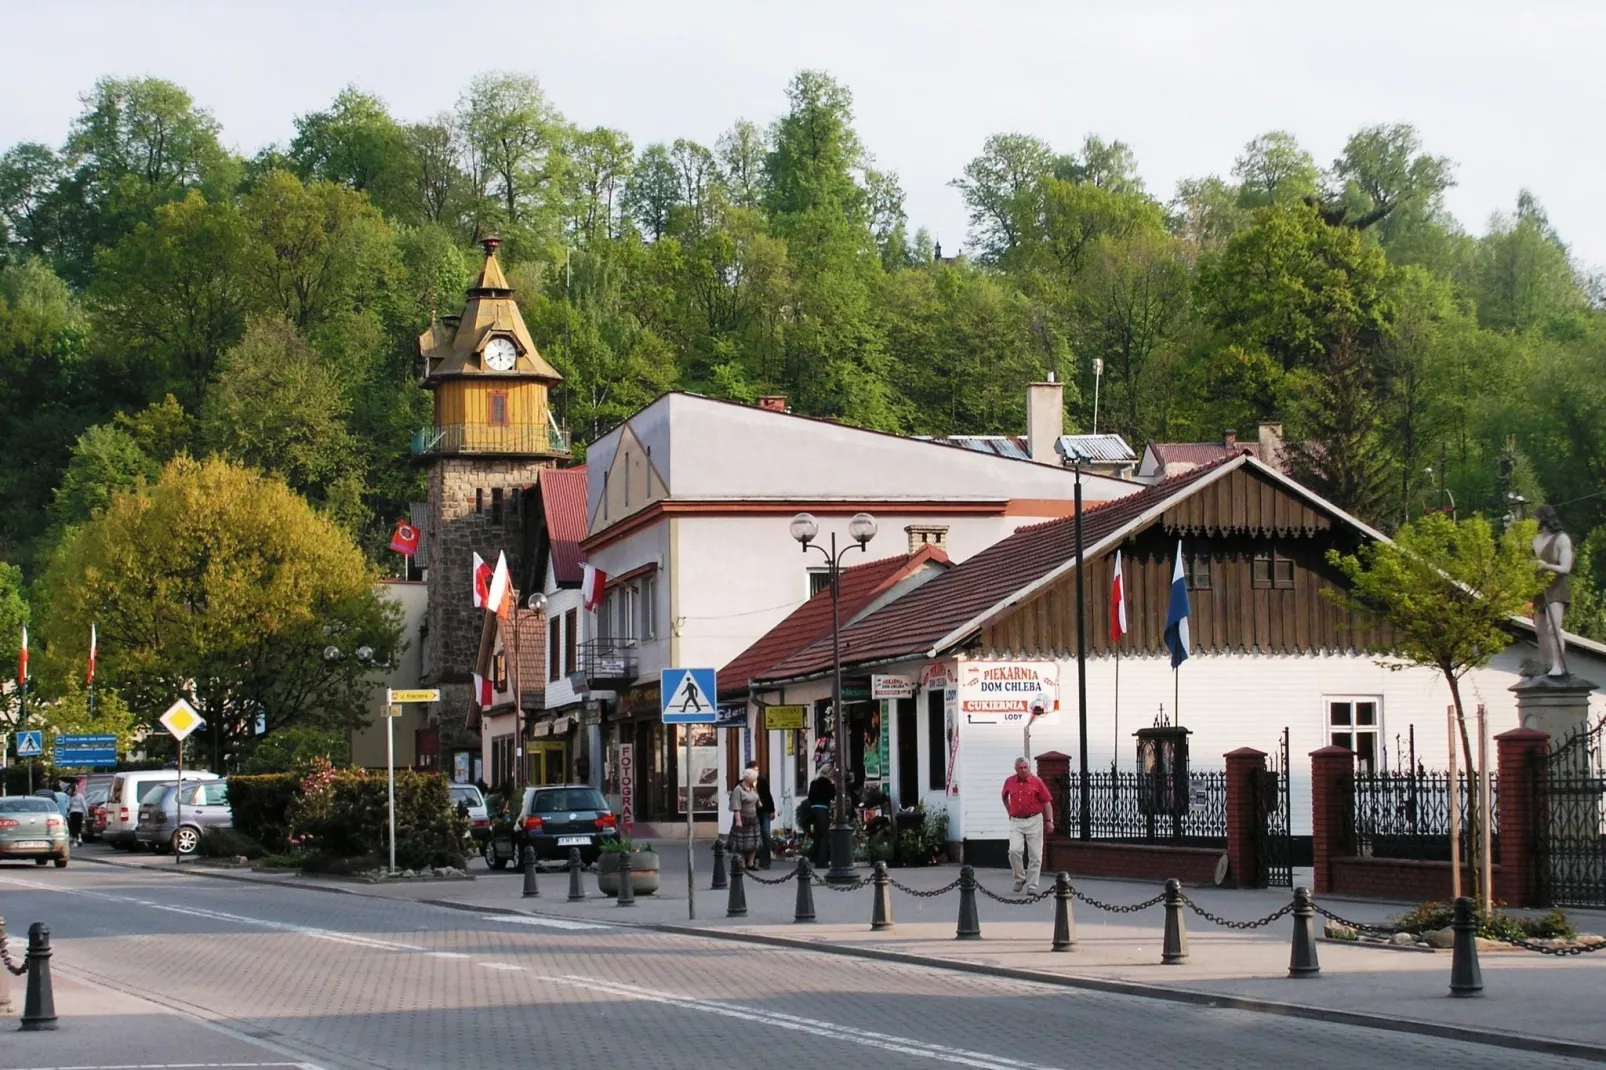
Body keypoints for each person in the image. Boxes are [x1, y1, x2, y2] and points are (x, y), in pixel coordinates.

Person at [1001, 756, 1055, 895]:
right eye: (1020, 768)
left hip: (1034, 819)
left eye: (1026, 767)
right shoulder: (1010, 781)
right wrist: (1010, 811)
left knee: (1035, 855)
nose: (1023, 770)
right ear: (1016, 769)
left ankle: (1032, 885)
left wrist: (1050, 821)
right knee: (1014, 851)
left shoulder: (1037, 782)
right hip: (1016, 821)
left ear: (1029, 768)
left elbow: (1047, 802)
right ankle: (1019, 878)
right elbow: (1004, 797)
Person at [1533, 504, 1574, 678]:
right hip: (1538, 588)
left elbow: (1566, 567)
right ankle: (1547, 663)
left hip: (1556, 588)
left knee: (1553, 628)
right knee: (1539, 628)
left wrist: (1546, 566)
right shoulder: (1535, 540)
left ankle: (1559, 665)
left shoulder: (1561, 539)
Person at [728, 767, 763, 871]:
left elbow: (756, 798)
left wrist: (759, 803)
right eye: (754, 778)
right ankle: (742, 862)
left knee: (755, 841)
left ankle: (751, 863)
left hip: (753, 818)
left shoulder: (753, 788)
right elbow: (736, 806)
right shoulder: (738, 790)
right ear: (748, 779)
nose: (755, 780)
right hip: (743, 818)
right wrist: (738, 820)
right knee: (741, 844)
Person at [745, 761, 776, 869]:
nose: (756, 772)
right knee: (750, 836)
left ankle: (765, 861)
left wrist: (772, 810)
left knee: (765, 834)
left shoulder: (762, 782)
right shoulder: (743, 783)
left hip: (764, 811)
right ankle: (750, 861)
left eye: (757, 770)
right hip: (750, 812)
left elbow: (768, 796)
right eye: (754, 769)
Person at [805, 766, 836, 867]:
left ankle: (816, 858)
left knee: (817, 835)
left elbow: (809, 797)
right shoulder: (827, 783)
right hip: (823, 809)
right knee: (824, 835)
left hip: (813, 809)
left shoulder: (814, 782)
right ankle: (822, 861)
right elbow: (832, 795)